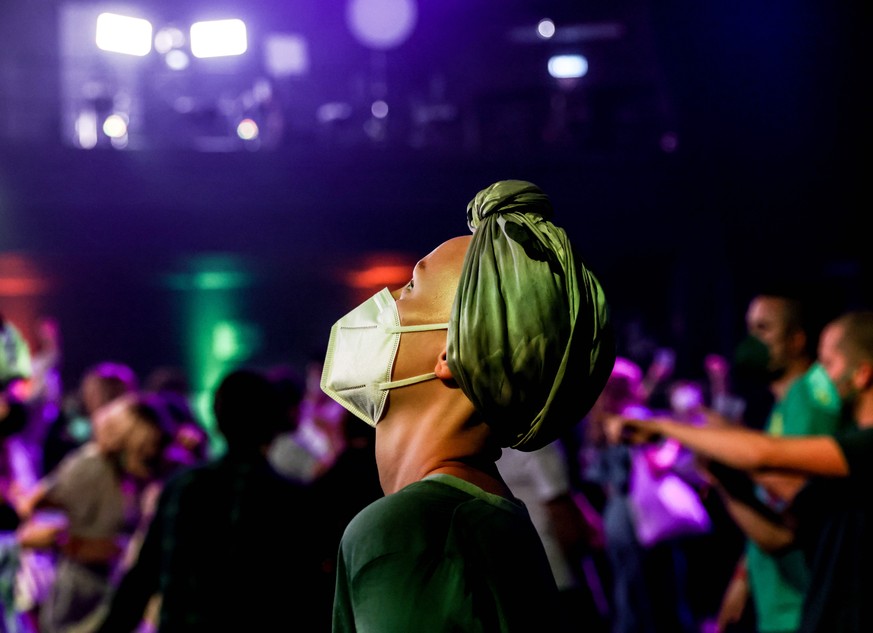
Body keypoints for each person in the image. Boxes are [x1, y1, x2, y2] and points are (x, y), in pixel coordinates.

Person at [320, 180, 615, 632]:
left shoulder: (409, 533)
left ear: (450, 355)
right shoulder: (489, 518)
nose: (384, 304)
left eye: (409, 289)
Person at [610, 309, 873, 633]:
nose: (819, 377)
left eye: (829, 365)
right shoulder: (843, 442)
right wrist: (720, 470)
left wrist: (665, 426)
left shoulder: (864, 445)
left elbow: (765, 456)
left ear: (861, 374)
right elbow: (779, 532)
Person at [95, 367, 326, 632]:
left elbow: (140, 583)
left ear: (216, 422)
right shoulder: (291, 501)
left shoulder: (181, 490)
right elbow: (307, 598)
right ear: (273, 424)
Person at [713, 292, 845, 633]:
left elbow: (788, 509)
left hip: (804, 603)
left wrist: (719, 466)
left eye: (764, 329)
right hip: (778, 601)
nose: (752, 342)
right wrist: (743, 577)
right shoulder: (782, 407)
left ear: (797, 340)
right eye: (750, 329)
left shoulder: (809, 397)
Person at [12, 392, 175, 633]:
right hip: (80, 601)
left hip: (117, 597)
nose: (156, 452)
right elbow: (31, 510)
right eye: (151, 444)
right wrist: (70, 542)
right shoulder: (91, 467)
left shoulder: (140, 475)